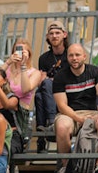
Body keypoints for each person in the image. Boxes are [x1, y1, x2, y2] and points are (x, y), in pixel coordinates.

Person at [52, 43, 98, 173]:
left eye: (77, 55)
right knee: (62, 126)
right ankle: (66, 166)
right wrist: (79, 118)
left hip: (92, 112)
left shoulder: (95, 71)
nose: (74, 58)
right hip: (69, 114)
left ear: (84, 56)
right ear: (67, 58)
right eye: (71, 55)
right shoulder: (60, 77)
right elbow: (62, 106)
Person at [34, 21, 68, 152]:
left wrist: (52, 79)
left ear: (64, 34)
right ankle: (45, 127)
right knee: (40, 93)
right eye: (51, 34)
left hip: (67, 91)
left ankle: (48, 125)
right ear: (47, 37)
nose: (54, 36)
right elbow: (41, 79)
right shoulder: (44, 58)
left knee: (46, 86)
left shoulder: (70, 54)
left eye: (57, 33)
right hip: (50, 93)